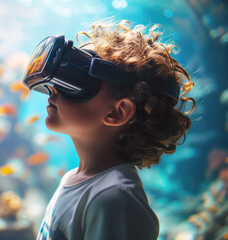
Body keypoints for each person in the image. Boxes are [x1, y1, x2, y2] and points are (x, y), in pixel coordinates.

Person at [23, 19, 196, 240]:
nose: (53, 89)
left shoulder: (114, 198)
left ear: (117, 113)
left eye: (78, 80)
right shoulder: (75, 180)